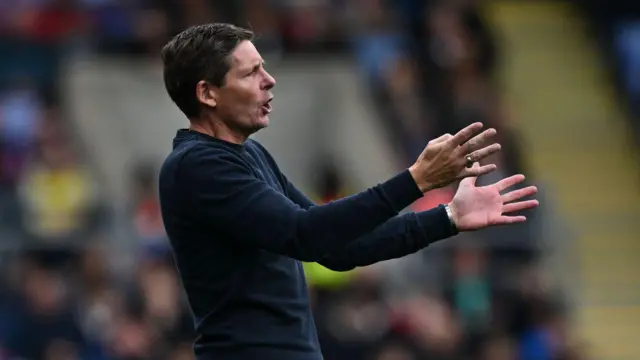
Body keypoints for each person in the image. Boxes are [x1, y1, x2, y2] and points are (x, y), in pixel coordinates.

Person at [157, 23, 539, 360]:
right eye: (251, 72)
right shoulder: (198, 166)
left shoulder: (249, 154)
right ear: (207, 93)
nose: (269, 79)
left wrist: (448, 218)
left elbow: (337, 249)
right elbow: (304, 234)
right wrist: (415, 181)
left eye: (264, 67)